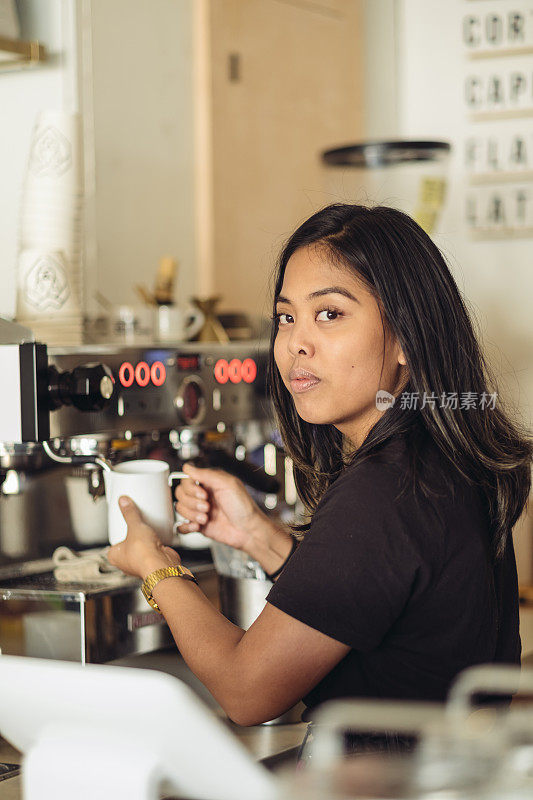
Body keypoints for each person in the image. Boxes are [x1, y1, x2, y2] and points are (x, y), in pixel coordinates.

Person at [107, 203, 532, 758]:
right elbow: (375, 608)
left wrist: (155, 566)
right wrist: (261, 537)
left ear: (407, 338)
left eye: (329, 314)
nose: (296, 343)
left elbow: (245, 691)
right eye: (286, 317)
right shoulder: (436, 461)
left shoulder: (384, 491)